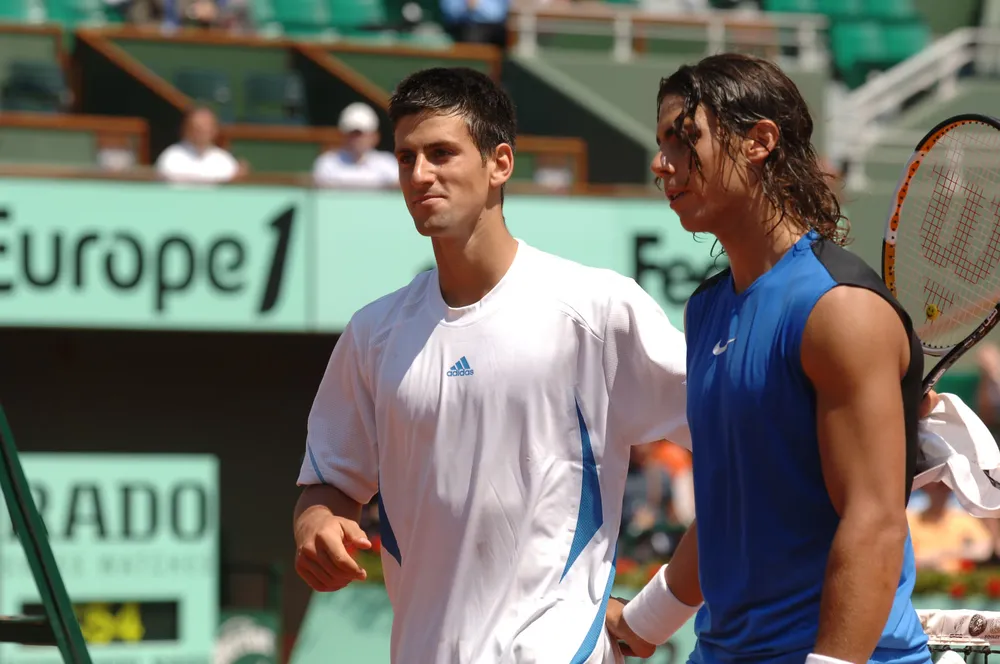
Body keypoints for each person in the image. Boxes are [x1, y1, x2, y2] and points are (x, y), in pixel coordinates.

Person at [292, 67, 691, 664]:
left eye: (441, 153)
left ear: (500, 163)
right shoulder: (372, 333)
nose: (420, 174)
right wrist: (316, 525)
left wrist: (657, 611)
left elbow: (742, 449)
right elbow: (330, 484)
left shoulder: (598, 309)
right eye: (405, 158)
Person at [605, 53, 936, 664]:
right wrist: (646, 621)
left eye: (684, 139)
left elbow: (874, 522)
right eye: (660, 144)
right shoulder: (705, 310)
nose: (661, 163)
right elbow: (736, 503)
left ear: (759, 141)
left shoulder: (840, 312)